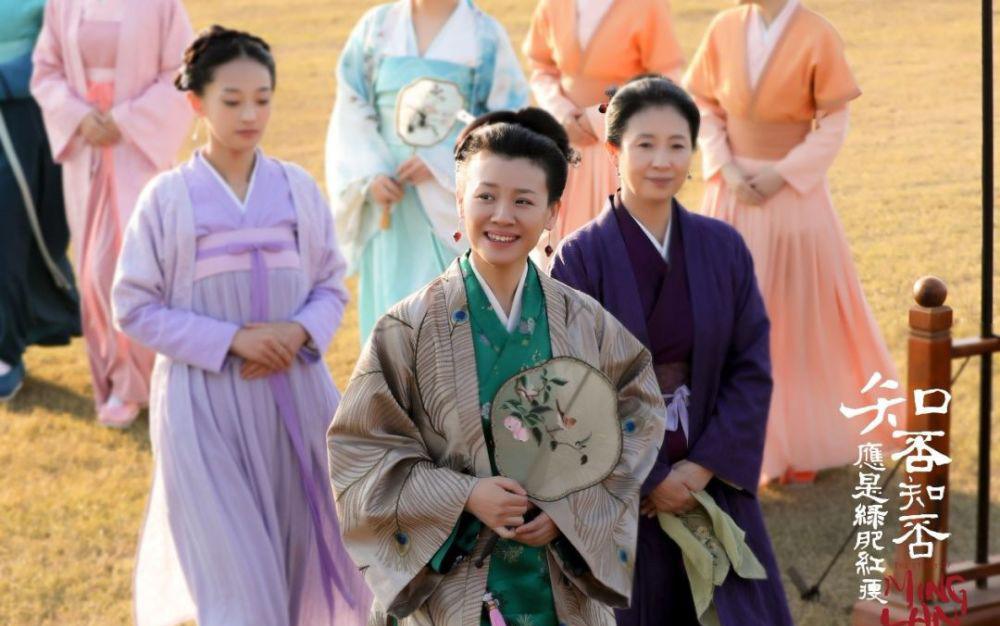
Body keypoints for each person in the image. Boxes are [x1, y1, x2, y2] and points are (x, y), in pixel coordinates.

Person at [327, 107, 665, 626]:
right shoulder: (407, 327)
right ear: (459, 201)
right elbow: (361, 450)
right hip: (454, 589)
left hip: (559, 584)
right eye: (485, 197)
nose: (502, 216)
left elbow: (637, 412)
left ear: (552, 211)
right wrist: (464, 495)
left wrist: (569, 510)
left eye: (523, 201)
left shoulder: (583, 320)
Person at [111, 26, 371, 626]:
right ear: (196, 102)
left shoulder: (297, 188)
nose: (250, 115)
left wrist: (298, 333)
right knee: (236, 586)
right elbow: (134, 304)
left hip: (297, 399)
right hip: (206, 408)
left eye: (262, 99)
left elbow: (331, 283)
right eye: (232, 101)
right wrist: (232, 340)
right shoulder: (167, 198)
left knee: (304, 565)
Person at [550, 75, 793, 626]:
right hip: (625, 492)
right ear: (614, 151)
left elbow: (750, 368)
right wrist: (653, 477)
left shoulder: (723, 246)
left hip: (709, 470)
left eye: (677, 145)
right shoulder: (579, 258)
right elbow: (572, 387)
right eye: (645, 145)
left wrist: (702, 467)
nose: (662, 161)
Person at [683, 0, 900, 483]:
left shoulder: (817, 33)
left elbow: (835, 121)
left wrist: (783, 173)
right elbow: (706, 106)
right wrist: (726, 166)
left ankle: (800, 442)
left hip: (794, 197)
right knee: (725, 315)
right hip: (732, 192)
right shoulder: (723, 27)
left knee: (797, 316)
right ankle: (731, 437)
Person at [326, 0, 529, 343]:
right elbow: (351, 105)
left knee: (453, 320)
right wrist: (371, 174)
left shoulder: (484, 35)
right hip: (390, 201)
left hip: (451, 203)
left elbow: (508, 119)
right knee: (391, 323)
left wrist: (444, 160)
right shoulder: (377, 27)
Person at [31, 0, 193, 426]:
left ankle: (151, 375)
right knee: (95, 271)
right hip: (86, 150)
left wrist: (126, 120)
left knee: (141, 263)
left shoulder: (162, 5)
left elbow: (180, 72)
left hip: (137, 149)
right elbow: (46, 70)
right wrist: (79, 117)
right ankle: (118, 379)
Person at [523, 0, 684, 254]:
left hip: (622, 148)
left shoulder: (649, 6)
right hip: (564, 144)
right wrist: (561, 113)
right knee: (556, 247)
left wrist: (599, 117)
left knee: (618, 249)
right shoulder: (553, 4)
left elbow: (666, 83)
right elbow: (541, 68)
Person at [0, 0, 80, 401]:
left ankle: (4, 350)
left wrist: (7, 79)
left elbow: (62, 42)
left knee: (8, 232)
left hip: (20, 113)